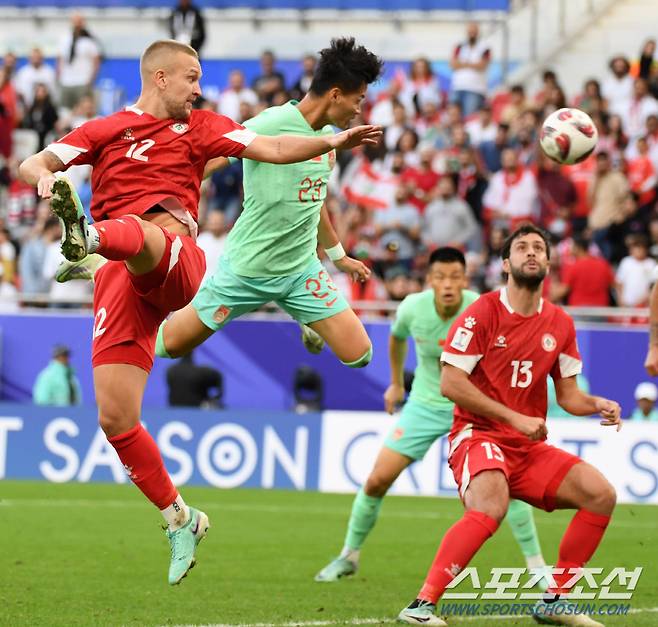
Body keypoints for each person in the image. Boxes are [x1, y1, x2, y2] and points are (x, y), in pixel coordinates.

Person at [18, 39, 380, 586]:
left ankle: (88, 241)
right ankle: (180, 518)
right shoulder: (104, 129)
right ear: (159, 77)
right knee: (116, 418)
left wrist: (338, 140)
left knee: (141, 230)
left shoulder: (207, 126)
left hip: (175, 255)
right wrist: (44, 178)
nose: (198, 87)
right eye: (191, 77)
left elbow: (278, 150)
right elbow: (34, 161)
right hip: (127, 274)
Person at [397, 224, 621, 627]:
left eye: (539, 247)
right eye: (522, 248)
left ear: (549, 264)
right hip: (477, 436)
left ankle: (555, 600)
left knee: (600, 494)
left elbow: (569, 396)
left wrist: (597, 404)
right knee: (490, 507)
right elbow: (451, 383)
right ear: (505, 264)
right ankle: (421, 605)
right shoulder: (482, 311)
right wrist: (513, 417)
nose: (531, 252)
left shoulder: (560, 323)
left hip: (527, 448)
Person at [315, 247, 550, 586]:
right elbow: (396, 340)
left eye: (455, 277)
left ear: (465, 280)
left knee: (507, 487)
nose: (448, 284)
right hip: (425, 404)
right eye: (440, 277)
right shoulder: (412, 307)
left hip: (474, 408)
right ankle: (348, 556)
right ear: (430, 281)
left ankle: (538, 567)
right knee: (377, 480)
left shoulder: (484, 309)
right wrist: (396, 384)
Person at [155, 38, 384, 371]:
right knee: (167, 347)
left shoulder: (331, 141)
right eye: (358, 98)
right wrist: (161, 198)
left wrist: (339, 256)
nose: (359, 109)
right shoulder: (271, 123)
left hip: (300, 272)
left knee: (359, 355)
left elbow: (313, 201)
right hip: (248, 269)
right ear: (335, 94)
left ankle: (305, 314)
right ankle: (106, 272)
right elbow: (211, 162)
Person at [56, 13, 102, 110]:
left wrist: (90, 80)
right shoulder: (64, 38)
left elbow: (96, 61)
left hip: (82, 81)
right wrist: (59, 77)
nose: (77, 24)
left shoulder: (90, 40)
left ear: (83, 23)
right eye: (75, 21)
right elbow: (60, 59)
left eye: (79, 22)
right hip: (66, 81)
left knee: (83, 110)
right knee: (64, 110)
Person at [449, 23, 490, 116]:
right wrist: (472, 64)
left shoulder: (484, 47)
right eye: (470, 31)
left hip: (475, 89)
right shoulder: (460, 46)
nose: (472, 34)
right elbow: (453, 64)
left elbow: (482, 65)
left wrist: (463, 64)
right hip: (458, 87)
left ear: (478, 32)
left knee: (469, 117)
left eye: (474, 32)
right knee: (453, 116)